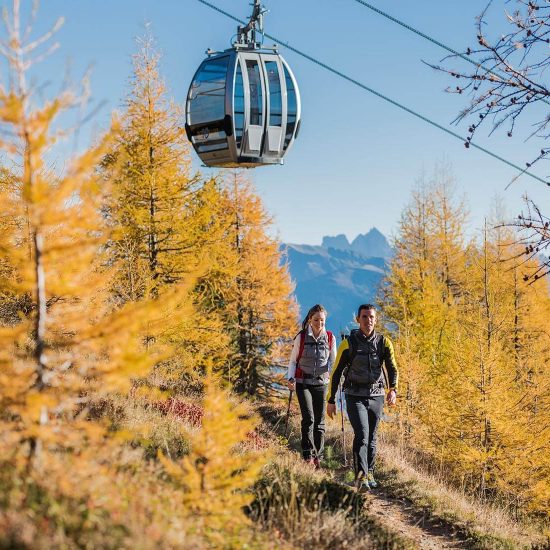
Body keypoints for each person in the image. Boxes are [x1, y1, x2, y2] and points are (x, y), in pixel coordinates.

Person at [327, 304, 398, 490]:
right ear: (358, 319)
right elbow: (336, 373)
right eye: (365, 317)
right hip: (354, 395)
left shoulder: (384, 342)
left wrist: (393, 390)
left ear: (376, 319)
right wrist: (331, 400)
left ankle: (370, 472)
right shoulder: (348, 343)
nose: (369, 320)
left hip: (377, 395)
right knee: (362, 435)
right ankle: (360, 476)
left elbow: (392, 368)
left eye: (372, 317)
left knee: (372, 437)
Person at [287, 304, 337, 468]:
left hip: (321, 383)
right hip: (303, 383)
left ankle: (318, 456)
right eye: (316, 320)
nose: (319, 323)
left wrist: (333, 375)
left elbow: (333, 362)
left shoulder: (330, 338)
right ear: (310, 320)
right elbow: (293, 361)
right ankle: (307, 455)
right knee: (308, 419)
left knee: (320, 421)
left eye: (322, 320)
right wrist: (290, 378)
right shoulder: (301, 337)